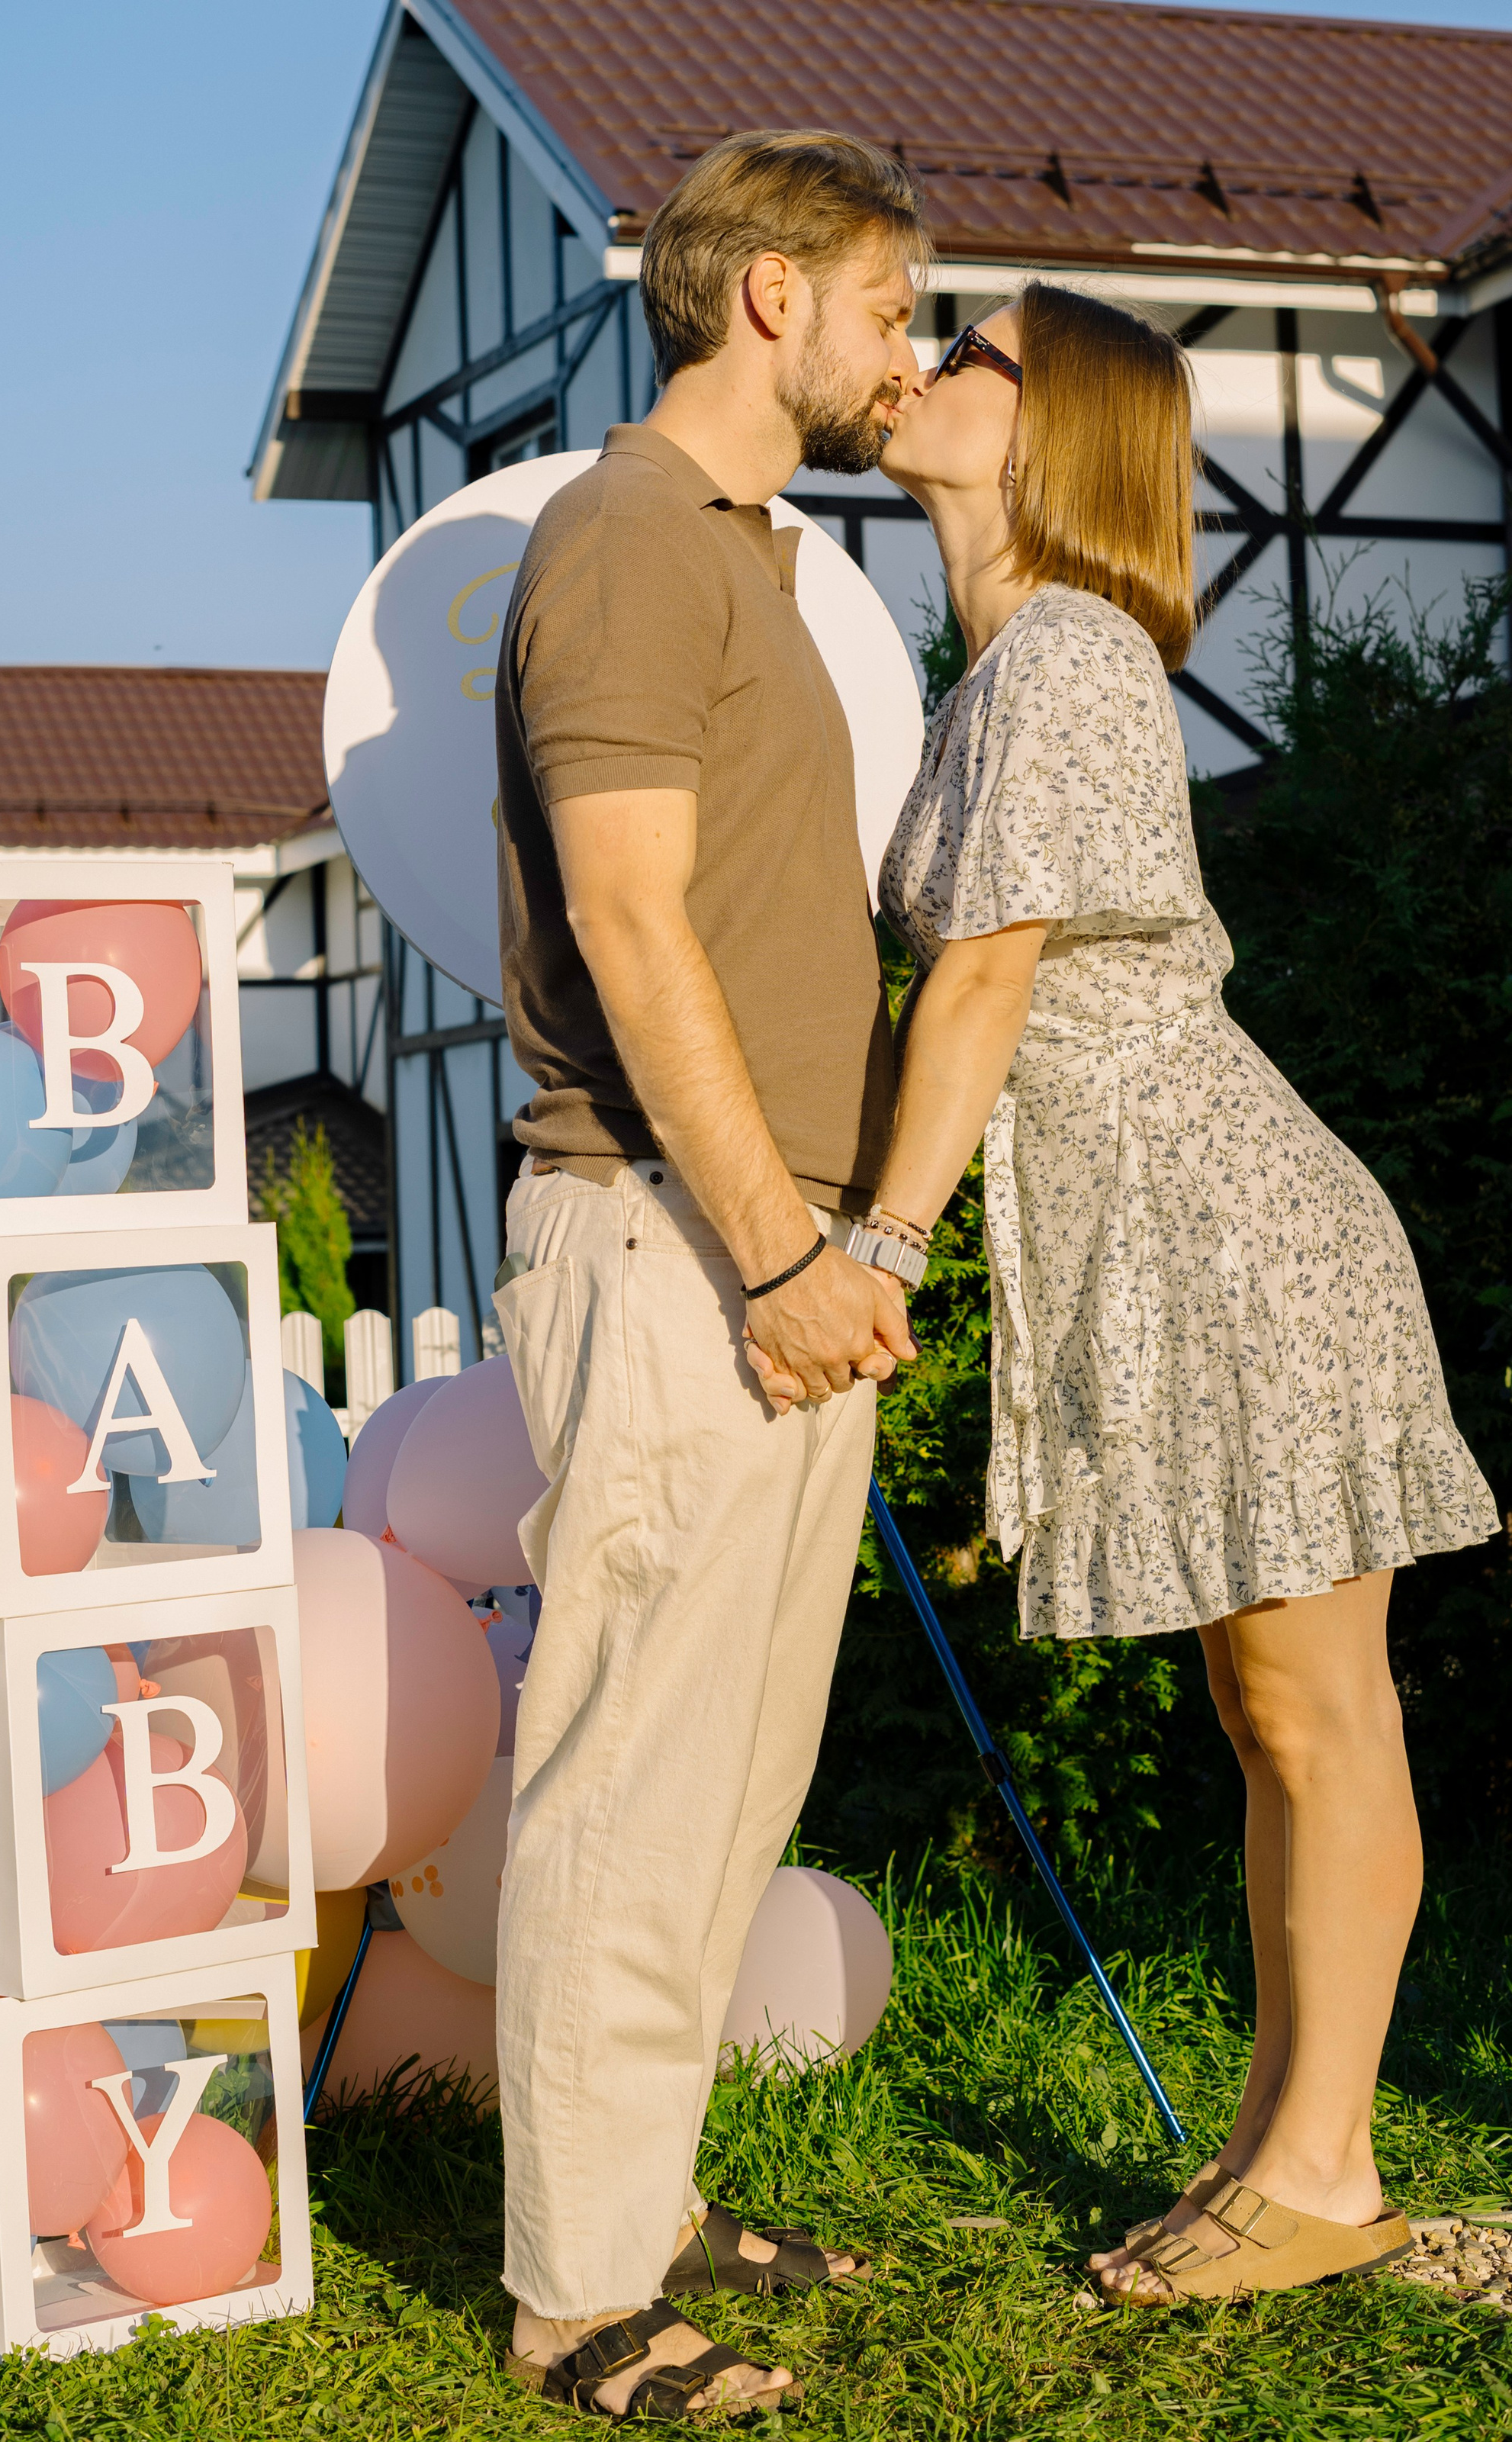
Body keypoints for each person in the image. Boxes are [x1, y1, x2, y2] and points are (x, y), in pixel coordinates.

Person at [798, 280, 1498, 2304]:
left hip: (1241, 1239)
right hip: (1179, 1240)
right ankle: (1292, 2148)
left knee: (1315, 1709)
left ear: (1053, 428)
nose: (922, 355)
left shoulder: (1076, 660)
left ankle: (1327, 2161)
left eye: (974, 346)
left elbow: (988, 974)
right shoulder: (1004, 671)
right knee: (1266, 1708)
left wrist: (883, 1240)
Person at [487, 130, 928, 2419]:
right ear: (768, 294)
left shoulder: (751, 552)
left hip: (773, 1250)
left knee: (727, 1782)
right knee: (629, 1771)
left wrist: (836, 1240)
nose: (907, 348)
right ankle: (575, 2297)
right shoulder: (628, 540)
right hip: (678, 1241)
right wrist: (775, 1243)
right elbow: (632, 916)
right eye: (887, 302)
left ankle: (640, 2207)